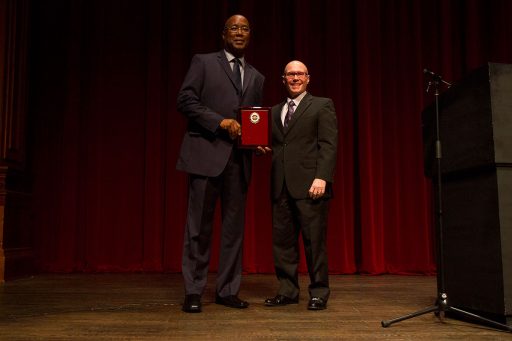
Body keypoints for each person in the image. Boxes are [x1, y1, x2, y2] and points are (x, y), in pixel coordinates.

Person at [176, 14, 265, 313]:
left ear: (250, 35)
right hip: (205, 156)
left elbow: (253, 119)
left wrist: (257, 142)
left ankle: (227, 290)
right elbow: (186, 100)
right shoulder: (203, 62)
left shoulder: (256, 76)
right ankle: (194, 291)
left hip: (239, 162)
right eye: (234, 28)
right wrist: (220, 122)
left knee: (233, 231)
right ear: (223, 34)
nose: (239, 33)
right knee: (198, 228)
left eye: (244, 29)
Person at [259, 60, 338, 310]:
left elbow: (328, 144)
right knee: (282, 242)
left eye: (299, 74)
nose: (295, 78)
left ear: (308, 78)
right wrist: (261, 147)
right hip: (280, 185)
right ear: (283, 79)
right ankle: (287, 290)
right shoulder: (273, 111)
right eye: (290, 74)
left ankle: (318, 293)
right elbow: (279, 145)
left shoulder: (322, 105)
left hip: (310, 185)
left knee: (314, 242)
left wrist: (322, 177)